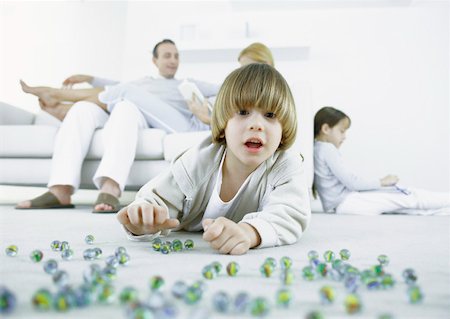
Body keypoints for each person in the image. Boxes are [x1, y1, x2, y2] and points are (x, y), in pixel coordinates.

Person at [116, 63, 311, 255]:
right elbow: (157, 197)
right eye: (243, 112)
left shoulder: (287, 164)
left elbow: (290, 213)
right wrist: (143, 219)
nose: (256, 125)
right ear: (224, 123)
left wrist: (249, 232)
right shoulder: (200, 158)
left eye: (270, 115)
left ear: (284, 129)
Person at [16, 39, 220, 213]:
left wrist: (207, 113)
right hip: (134, 113)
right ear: (154, 60)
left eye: (176, 56)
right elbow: (117, 85)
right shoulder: (143, 83)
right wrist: (90, 78)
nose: (173, 60)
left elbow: (227, 88)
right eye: (167, 56)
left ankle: (57, 97)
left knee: (125, 94)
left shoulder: (186, 82)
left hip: (178, 124)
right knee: (86, 109)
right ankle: (60, 190)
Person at [313, 106, 450, 215]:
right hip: (348, 202)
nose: (345, 137)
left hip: (348, 202)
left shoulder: (319, 149)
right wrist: (381, 182)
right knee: (409, 198)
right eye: (342, 131)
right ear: (325, 129)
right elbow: (352, 183)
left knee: (407, 199)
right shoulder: (326, 149)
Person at [187, 42, 275, 126]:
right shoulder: (245, 93)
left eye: (249, 69)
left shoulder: (274, 96)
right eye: (242, 70)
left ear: (267, 66)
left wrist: (206, 119)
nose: (244, 75)